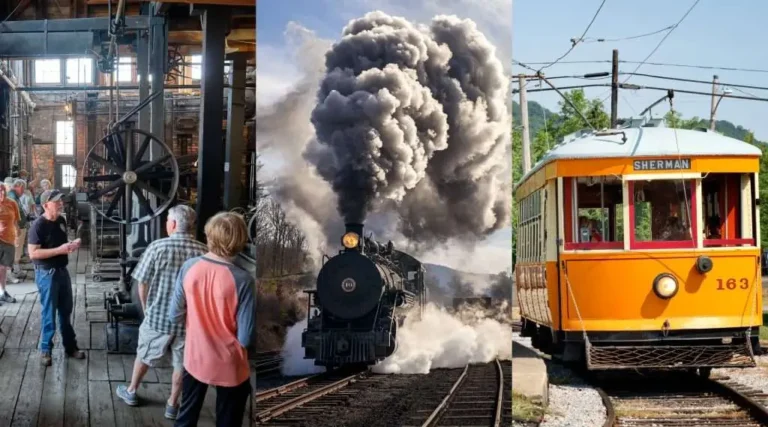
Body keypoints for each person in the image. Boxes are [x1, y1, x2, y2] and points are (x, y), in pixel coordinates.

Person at [115, 205, 208, 420]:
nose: (167, 224)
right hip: (188, 322)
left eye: (167, 220)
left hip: (157, 317)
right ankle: (172, 404)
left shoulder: (157, 247)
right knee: (181, 364)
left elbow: (142, 283)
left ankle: (131, 391)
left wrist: (147, 309)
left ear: (173, 224)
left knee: (144, 355)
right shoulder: (202, 252)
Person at [169, 212, 256, 427]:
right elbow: (245, 338)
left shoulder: (189, 267)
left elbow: (175, 314)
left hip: (195, 358)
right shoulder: (244, 280)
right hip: (230, 366)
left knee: (186, 418)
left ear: (209, 236)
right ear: (240, 240)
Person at [28, 189, 85, 366]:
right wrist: (60, 250)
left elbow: (60, 242)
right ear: (46, 205)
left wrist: (72, 244)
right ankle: (46, 349)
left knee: (66, 312)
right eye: (57, 201)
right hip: (47, 274)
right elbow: (33, 253)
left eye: (61, 201)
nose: (61, 203)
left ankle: (70, 347)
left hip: (62, 271)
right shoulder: (38, 226)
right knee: (49, 313)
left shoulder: (61, 220)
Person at [0, 185, 19, 303]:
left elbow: (16, 221)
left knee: (3, 268)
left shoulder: (12, 203)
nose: (2, 192)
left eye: (3, 190)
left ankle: (2, 292)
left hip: (9, 239)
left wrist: (16, 235)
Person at [8, 179, 29, 279]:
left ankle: (16, 269)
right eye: (23, 189)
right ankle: (15, 271)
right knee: (16, 250)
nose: (23, 191)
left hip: (19, 226)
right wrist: (16, 227)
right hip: (16, 227)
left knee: (18, 250)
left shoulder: (15, 196)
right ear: (19, 186)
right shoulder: (12, 196)